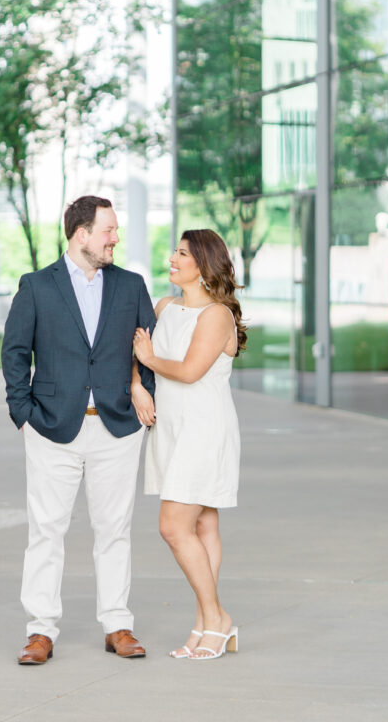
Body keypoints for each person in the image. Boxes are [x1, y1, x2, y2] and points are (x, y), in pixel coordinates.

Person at [2, 195, 157, 665]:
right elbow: (15, 353)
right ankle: (40, 631)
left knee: (115, 530)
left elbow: (147, 347)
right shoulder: (36, 286)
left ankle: (118, 625)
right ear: (81, 234)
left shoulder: (131, 286)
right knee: (46, 530)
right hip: (51, 428)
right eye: (108, 229)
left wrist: (140, 390)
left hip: (117, 428)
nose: (115, 237)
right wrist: (24, 413)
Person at [131, 228, 246, 661]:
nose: (173, 259)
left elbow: (190, 370)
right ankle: (204, 623)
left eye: (182, 253)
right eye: (174, 252)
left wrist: (147, 360)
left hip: (203, 429)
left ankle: (217, 618)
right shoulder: (165, 307)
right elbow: (135, 356)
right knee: (203, 526)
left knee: (173, 526)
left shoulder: (216, 315)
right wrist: (136, 385)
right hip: (171, 427)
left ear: (203, 263)